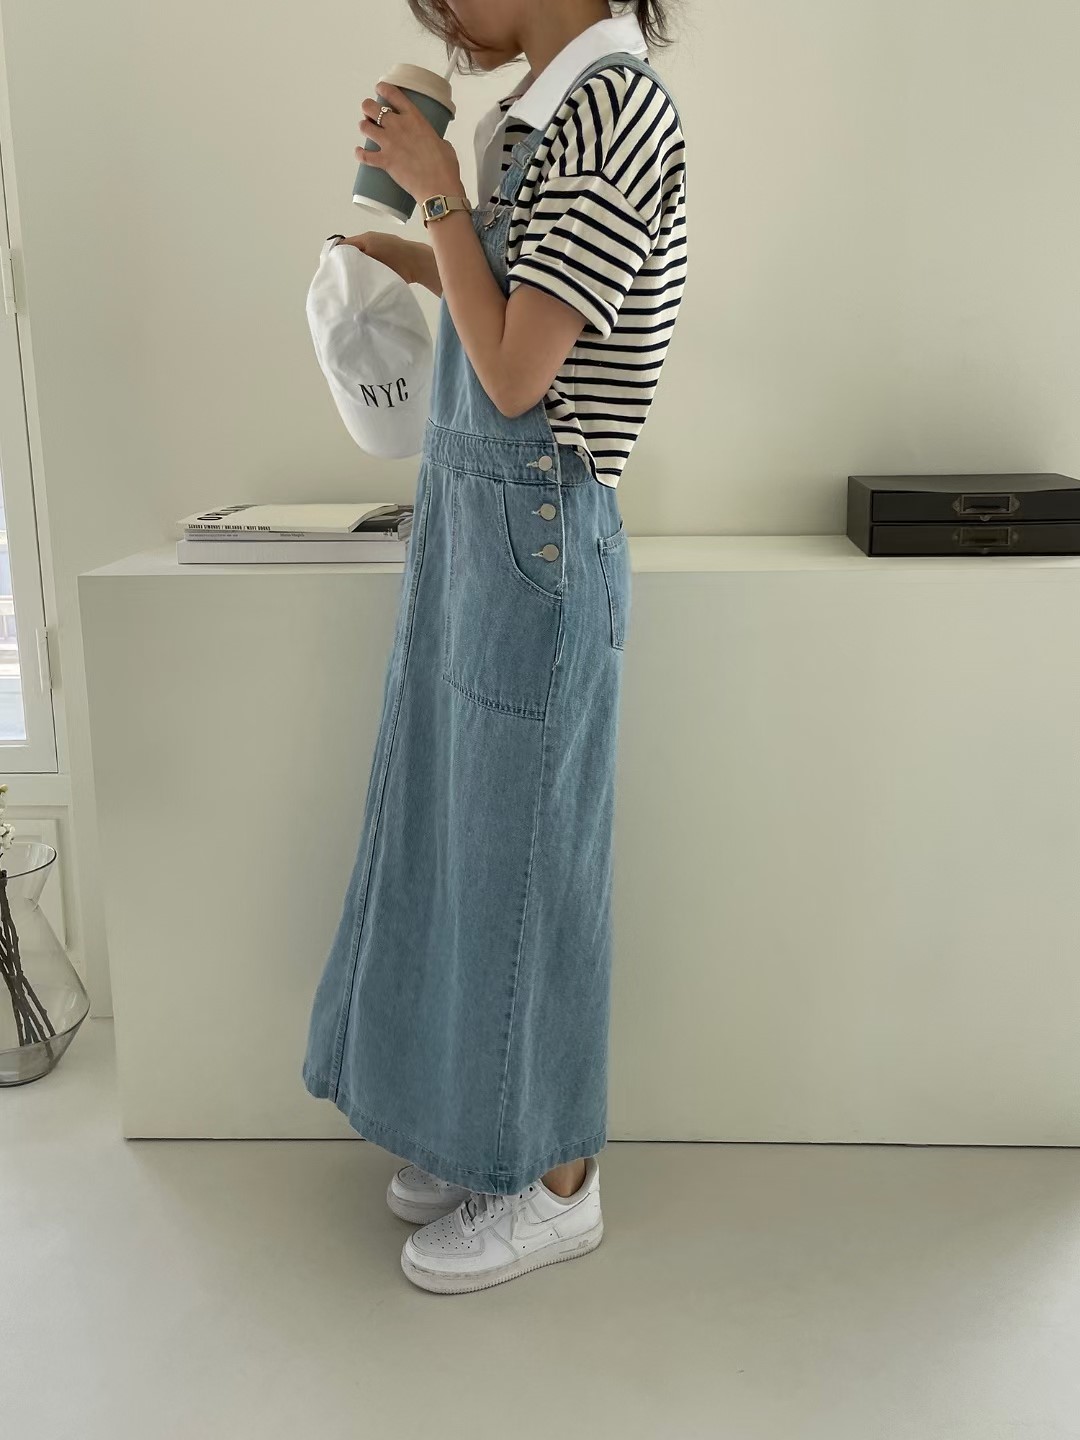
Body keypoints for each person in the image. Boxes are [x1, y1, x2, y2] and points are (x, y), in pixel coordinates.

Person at [302, 0, 688, 1295]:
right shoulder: (548, 107)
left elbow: (521, 375)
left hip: (538, 530)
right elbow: (513, 309)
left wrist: (440, 196)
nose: (447, 21)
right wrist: (413, 249)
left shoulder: (614, 110)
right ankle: (487, 1140)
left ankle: (557, 1184)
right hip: (484, 531)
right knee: (470, 846)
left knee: (534, 868)